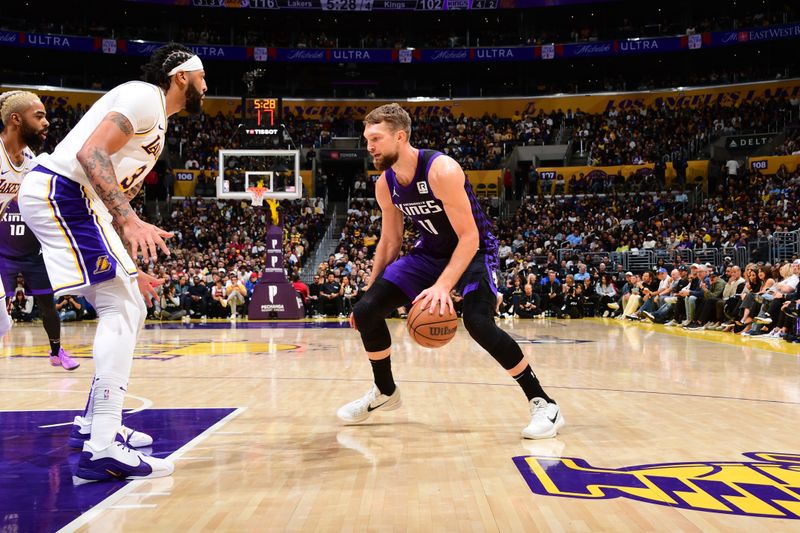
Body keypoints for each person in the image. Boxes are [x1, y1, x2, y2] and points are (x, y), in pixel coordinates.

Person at [18, 43, 207, 482]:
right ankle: (102, 445)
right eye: (202, 77)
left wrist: (128, 263)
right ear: (181, 76)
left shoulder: (157, 121)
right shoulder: (144, 95)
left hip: (79, 203)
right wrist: (132, 220)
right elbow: (90, 155)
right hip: (63, 192)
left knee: (129, 299)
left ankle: (94, 424)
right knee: (120, 306)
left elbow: (106, 192)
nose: (206, 86)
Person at [337, 104, 564, 440]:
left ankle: (544, 402)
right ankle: (385, 392)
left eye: (375, 138)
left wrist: (444, 286)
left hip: (474, 251)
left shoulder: (441, 169)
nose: (368, 145)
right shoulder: (385, 183)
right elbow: (390, 241)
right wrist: (367, 294)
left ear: (400, 137)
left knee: (477, 321)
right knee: (366, 312)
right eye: (366, 138)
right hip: (430, 253)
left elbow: (470, 236)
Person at [0, 90, 79, 370]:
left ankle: (57, 352)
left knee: (3, 323)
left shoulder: (29, 159)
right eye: (39, 116)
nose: (47, 122)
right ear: (15, 120)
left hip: (31, 254)